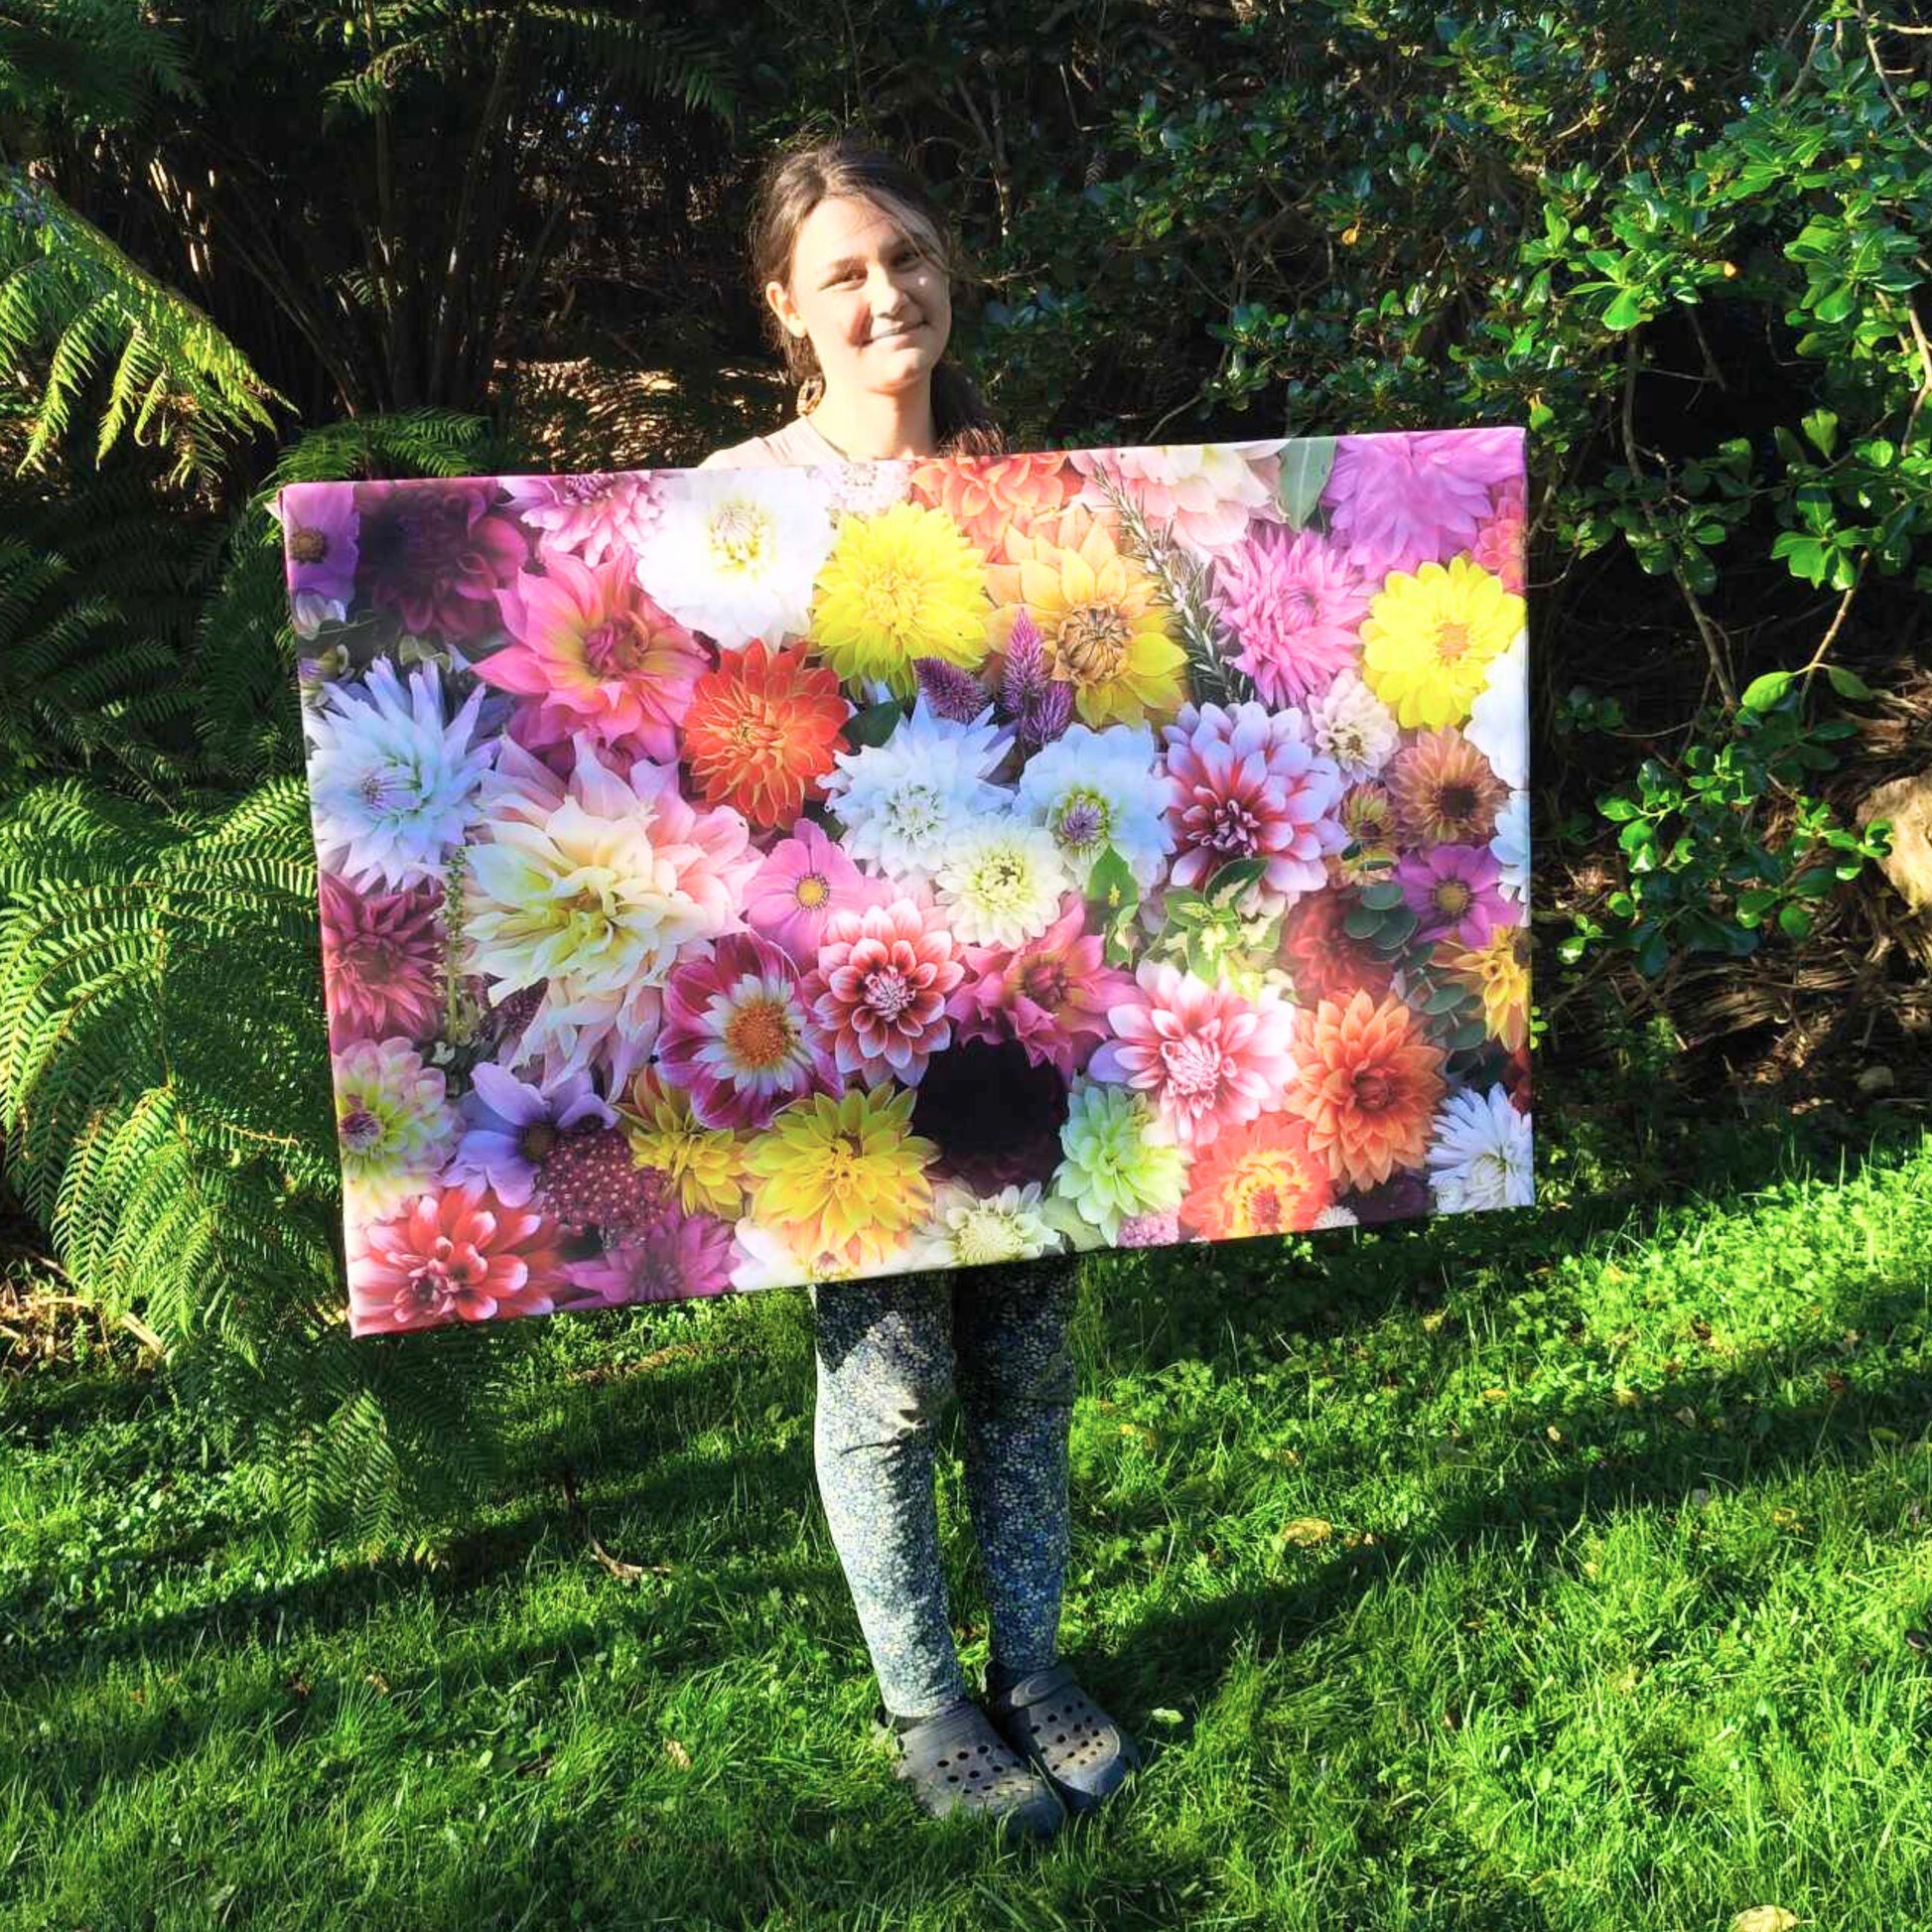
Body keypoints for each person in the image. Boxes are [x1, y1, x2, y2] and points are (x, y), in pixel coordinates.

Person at [698, 133, 1142, 1846]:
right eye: (843, 274)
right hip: (832, 1011)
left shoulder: (1028, 499)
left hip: (1021, 993)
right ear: (785, 313)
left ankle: (1029, 1665)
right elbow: (690, 752)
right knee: (886, 1376)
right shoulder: (730, 506)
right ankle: (926, 1699)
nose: (885, 295)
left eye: (906, 258)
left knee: (1027, 1355)